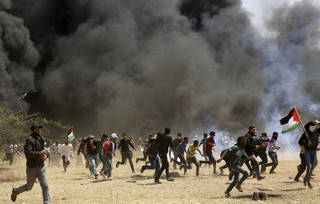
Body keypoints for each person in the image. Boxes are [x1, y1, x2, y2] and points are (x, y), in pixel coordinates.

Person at [11, 124, 51, 203]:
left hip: (41, 167)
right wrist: (40, 154)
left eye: (39, 128)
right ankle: (15, 191)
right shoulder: (29, 140)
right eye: (37, 129)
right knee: (29, 187)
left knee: (45, 186)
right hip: (32, 167)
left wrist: (46, 156)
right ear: (33, 130)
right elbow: (28, 153)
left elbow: (46, 151)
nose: (39, 130)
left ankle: (47, 202)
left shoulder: (41, 139)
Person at [298, 121, 320, 188]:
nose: (313, 128)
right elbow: (300, 142)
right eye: (312, 127)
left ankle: (306, 178)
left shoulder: (317, 132)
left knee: (313, 165)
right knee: (309, 166)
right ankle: (309, 181)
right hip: (307, 152)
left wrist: (318, 123)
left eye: (314, 127)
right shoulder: (305, 134)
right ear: (308, 127)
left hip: (314, 152)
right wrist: (306, 144)